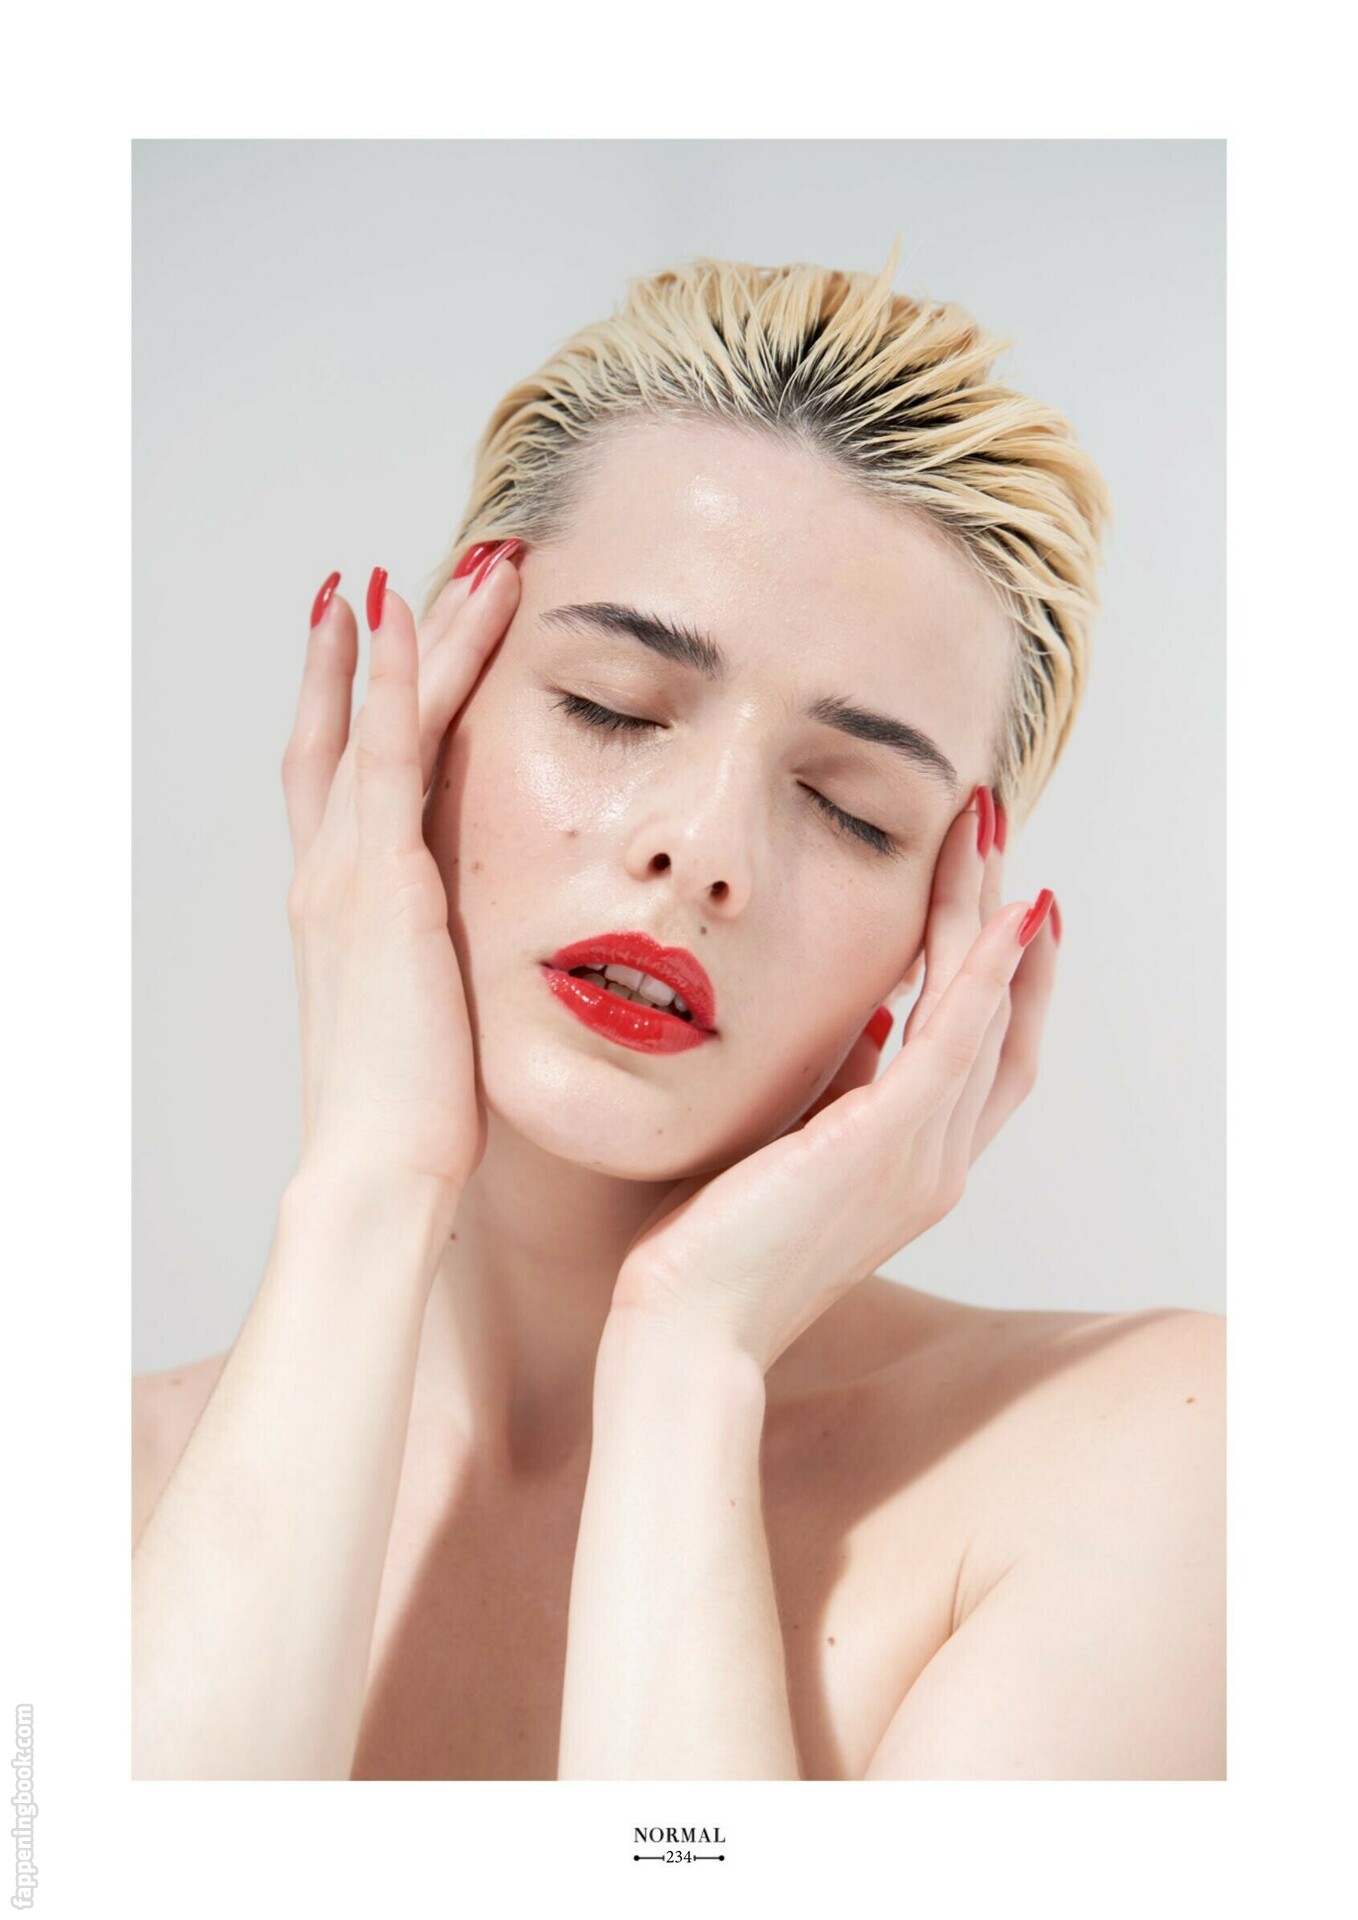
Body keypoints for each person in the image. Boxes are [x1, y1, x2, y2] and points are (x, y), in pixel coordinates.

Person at [131, 246, 1224, 1781]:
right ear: (424, 714)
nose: (703, 851)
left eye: (850, 811)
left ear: (937, 936)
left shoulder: (1146, 1460)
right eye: (611, 706)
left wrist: (687, 1359)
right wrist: (369, 1182)